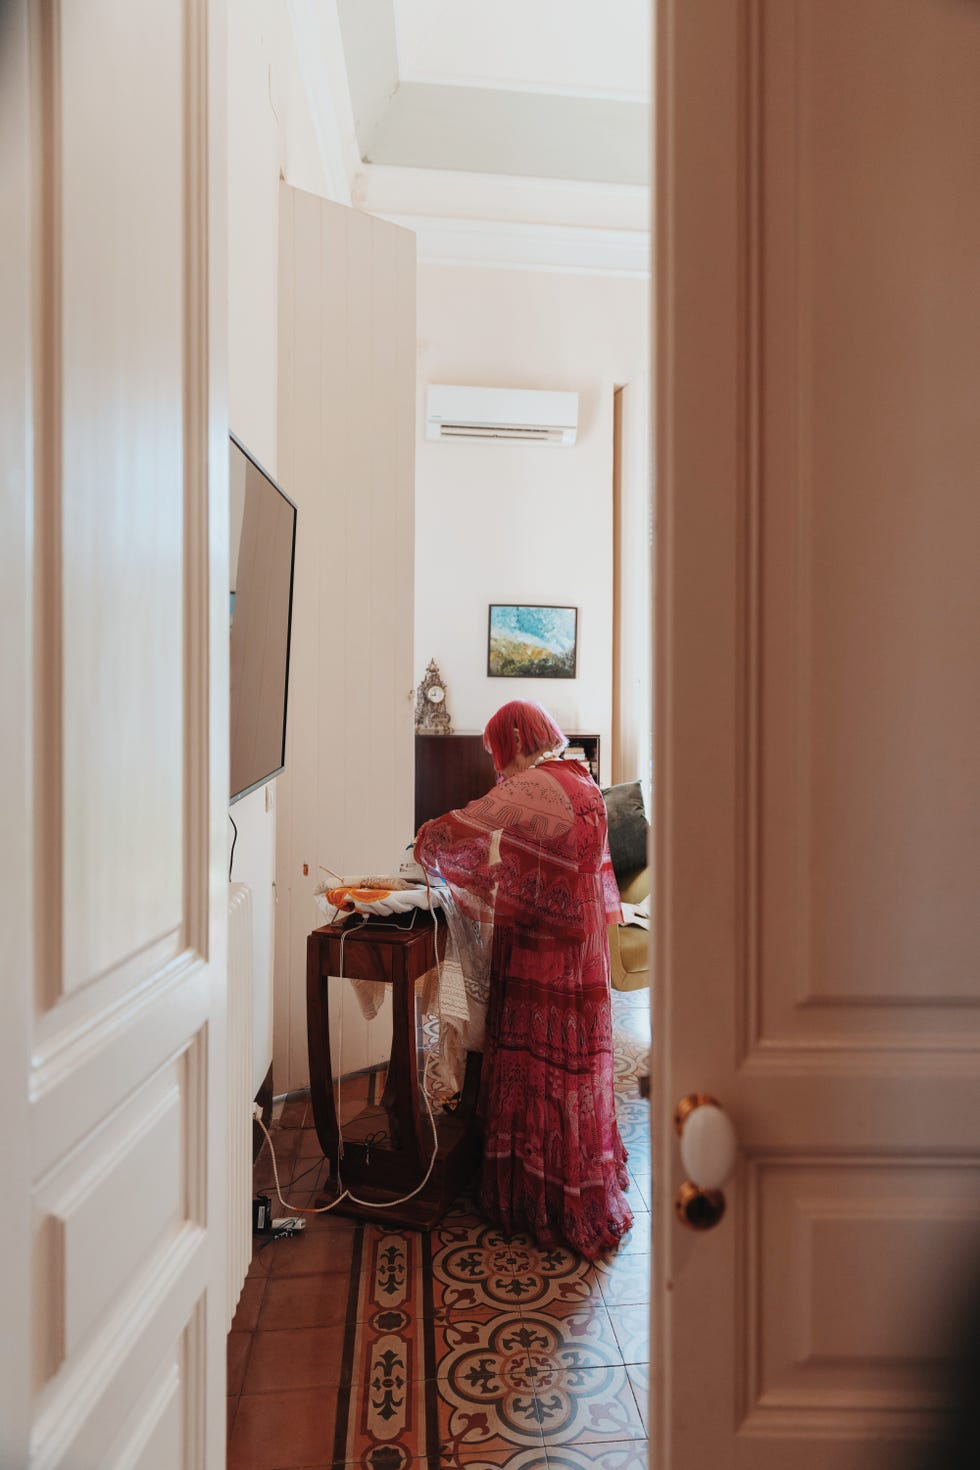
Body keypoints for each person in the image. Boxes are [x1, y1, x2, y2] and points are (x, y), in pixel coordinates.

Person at [414, 699, 633, 1259]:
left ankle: (537, 1193)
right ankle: (579, 1179)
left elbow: (455, 829)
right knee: (575, 1068)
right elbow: (550, 864)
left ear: (512, 742)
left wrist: (425, 846)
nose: (495, 766)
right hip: (582, 948)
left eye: (495, 752)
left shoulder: (533, 786)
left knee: (540, 1064)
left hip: (543, 951)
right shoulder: (580, 776)